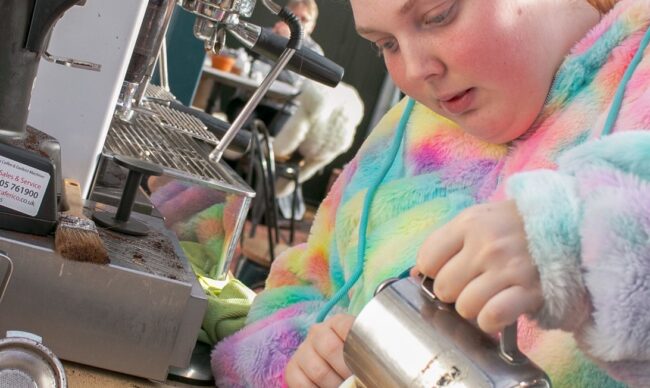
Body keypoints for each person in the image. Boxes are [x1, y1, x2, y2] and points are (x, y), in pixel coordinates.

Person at [212, 0, 650, 387]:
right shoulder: (407, 130)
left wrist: (573, 242)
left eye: (438, 15)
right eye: (385, 44)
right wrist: (306, 358)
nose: (417, 71)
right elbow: (303, 284)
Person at [225, 0, 324, 133]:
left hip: (279, 109)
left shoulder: (314, 51)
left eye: (304, 19)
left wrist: (285, 43)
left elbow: (292, 80)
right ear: (284, 19)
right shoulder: (265, 34)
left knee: (252, 133)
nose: (298, 24)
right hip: (249, 100)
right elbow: (240, 59)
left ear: (312, 26)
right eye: (294, 18)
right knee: (239, 120)